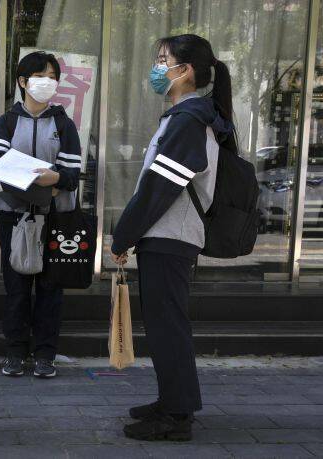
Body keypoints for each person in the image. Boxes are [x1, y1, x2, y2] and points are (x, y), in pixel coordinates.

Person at [110, 34, 235, 441]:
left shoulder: (188, 120)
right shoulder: (187, 117)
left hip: (170, 235)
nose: (158, 68)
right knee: (165, 326)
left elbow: (159, 188)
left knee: (169, 328)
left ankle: (177, 417)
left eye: (164, 60)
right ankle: (171, 402)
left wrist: (123, 234)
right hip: (167, 235)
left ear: (186, 71)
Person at [0, 51, 81, 379]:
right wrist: (44, 182)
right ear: (23, 82)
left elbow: (71, 175)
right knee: (17, 287)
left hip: (56, 219)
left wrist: (46, 181)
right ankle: (14, 352)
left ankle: (45, 354)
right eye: (41, 76)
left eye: (53, 76)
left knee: (51, 289)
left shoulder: (64, 124)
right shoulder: (7, 121)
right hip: (14, 217)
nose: (48, 82)